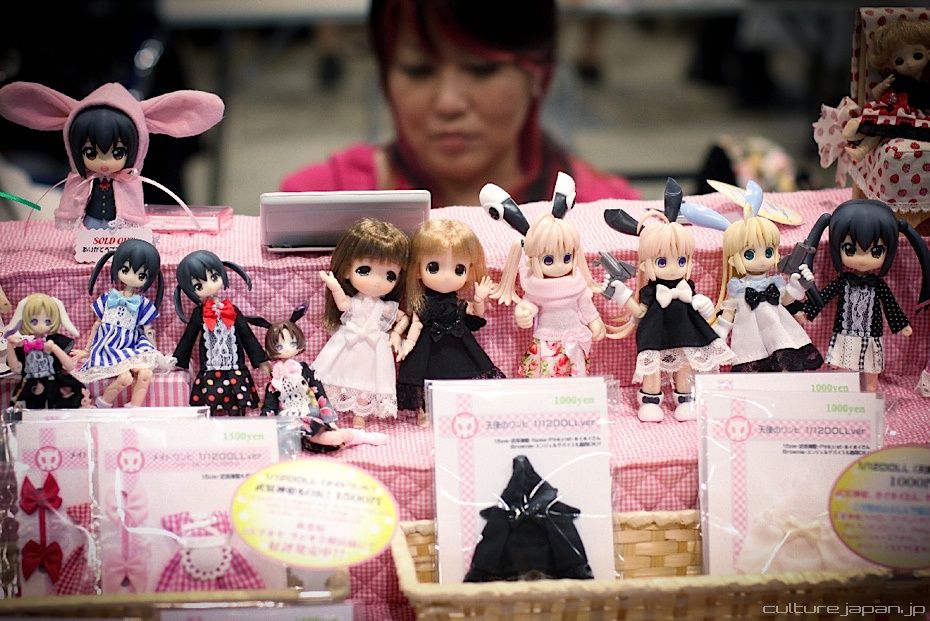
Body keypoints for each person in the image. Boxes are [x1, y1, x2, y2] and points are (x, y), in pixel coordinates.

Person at [279, 0, 639, 208]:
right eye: (418, 70)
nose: (448, 103)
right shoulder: (315, 206)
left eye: (482, 69)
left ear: (538, 73)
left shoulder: (609, 216)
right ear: (386, 76)